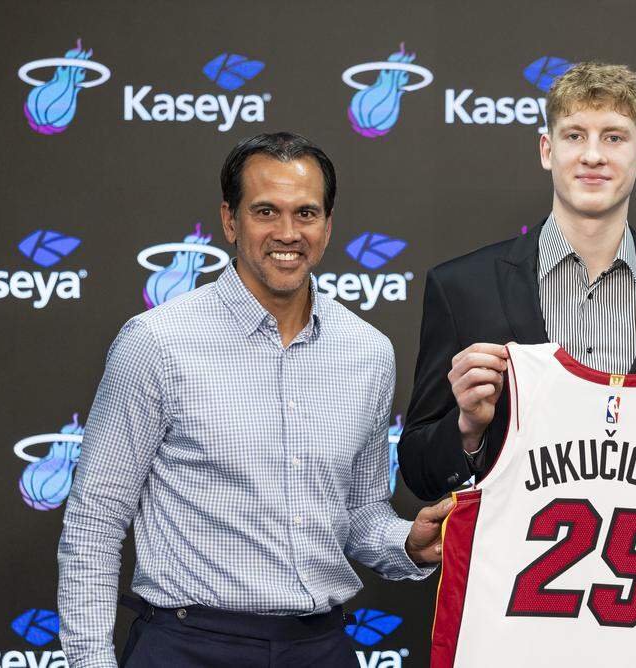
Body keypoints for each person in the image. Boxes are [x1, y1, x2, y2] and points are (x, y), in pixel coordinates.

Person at [57, 133, 451, 668]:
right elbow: (95, 519)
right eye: (266, 211)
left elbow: (359, 514)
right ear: (230, 220)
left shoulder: (368, 352)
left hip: (320, 648)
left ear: (328, 225)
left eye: (306, 213)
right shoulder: (157, 343)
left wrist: (408, 545)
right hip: (187, 646)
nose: (287, 234)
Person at [397, 61, 636, 601]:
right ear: (546, 150)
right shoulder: (461, 287)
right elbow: (420, 470)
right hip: (508, 598)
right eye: (574, 136)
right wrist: (467, 428)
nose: (592, 155)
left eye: (614, 137)